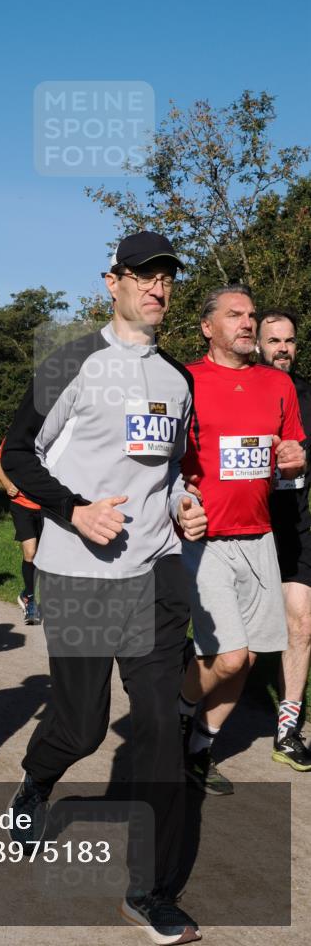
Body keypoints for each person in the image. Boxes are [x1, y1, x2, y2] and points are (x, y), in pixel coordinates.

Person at [1, 231, 207, 945]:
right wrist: (73, 509)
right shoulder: (72, 362)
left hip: (153, 575)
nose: (157, 288)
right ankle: (35, 782)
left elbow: (171, 468)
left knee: (158, 732)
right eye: (143, 276)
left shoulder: (178, 380)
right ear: (111, 282)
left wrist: (186, 502)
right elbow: (16, 453)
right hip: (80, 577)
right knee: (84, 725)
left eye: (166, 279)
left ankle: (149, 891)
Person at [178, 288, 306, 794]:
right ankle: (176, 714)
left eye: (251, 315)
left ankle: (198, 747)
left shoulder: (278, 384)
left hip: (260, 537)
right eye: (235, 315)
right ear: (208, 327)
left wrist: (295, 458)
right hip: (204, 535)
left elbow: (290, 453)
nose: (247, 323)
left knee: (250, 659)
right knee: (229, 656)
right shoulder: (185, 380)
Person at [257, 308, 311, 769]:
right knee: (238, 642)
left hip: (294, 527)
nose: (282, 349)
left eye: (289, 341)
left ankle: (288, 729)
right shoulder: (242, 389)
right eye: (273, 340)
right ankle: (192, 724)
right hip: (240, 527)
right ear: (257, 343)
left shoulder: (308, 396)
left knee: (301, 623)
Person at [0, 437, 42, 624]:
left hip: (46, 505)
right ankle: (29, 598)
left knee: (46, 556)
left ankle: (38, 595)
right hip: (22, 505)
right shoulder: (20, 432)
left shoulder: (54, 434)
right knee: (31, 551)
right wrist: (6, 483)